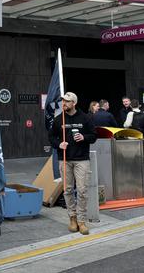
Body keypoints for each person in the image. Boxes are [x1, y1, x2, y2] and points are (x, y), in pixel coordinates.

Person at [49, 92, 97, 235]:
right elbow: (51, 137)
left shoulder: (86, 118)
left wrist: (84, 137)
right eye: (63, 101)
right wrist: (59, 144)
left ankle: (82, 221)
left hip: (82, 159)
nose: (64, 103)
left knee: (82, 191)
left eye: (67, 101)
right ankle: (72, 218)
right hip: (64, 159)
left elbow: (94, 136)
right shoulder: (58, 119)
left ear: (74, 103)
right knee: (68, 190)